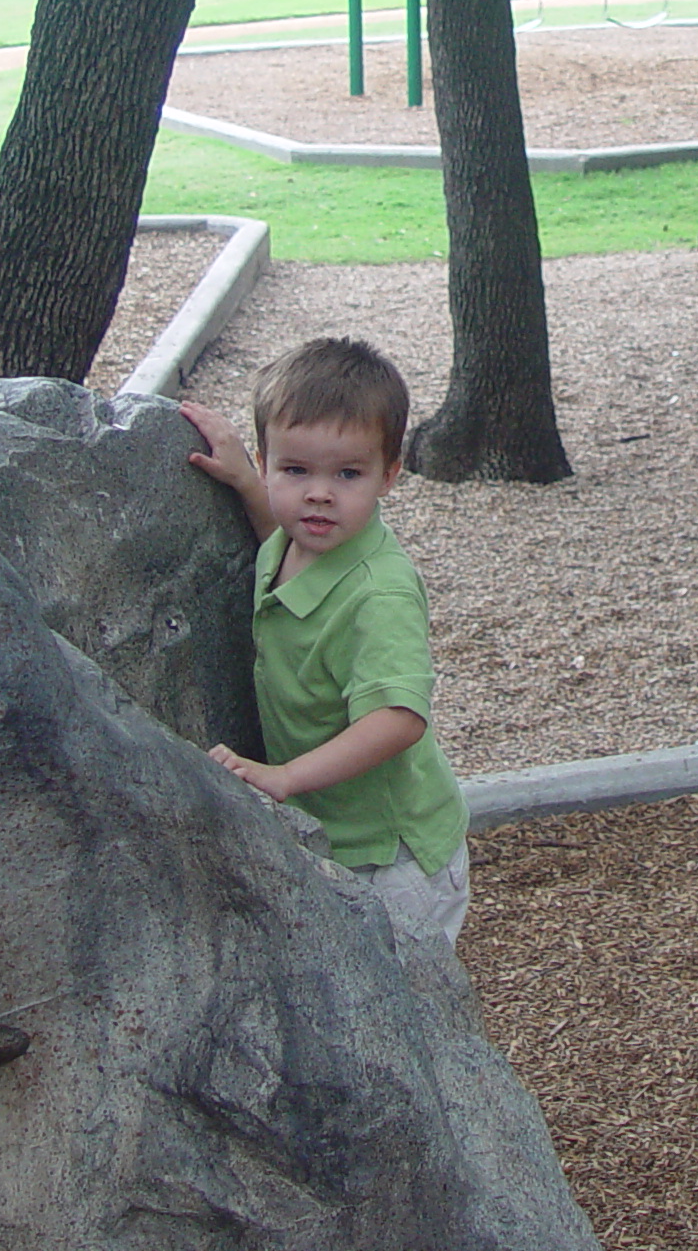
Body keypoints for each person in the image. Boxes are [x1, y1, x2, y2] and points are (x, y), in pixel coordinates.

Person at [179, 338, 470, 945]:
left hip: (393, 857)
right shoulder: (296, 543)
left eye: (347, 474)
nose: (318, 494)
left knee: (400, 1008)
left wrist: (286, 777)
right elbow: (277, 534)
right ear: (266, 463)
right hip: (338, 834)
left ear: (389, 476)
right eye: (295, 470)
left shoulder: (378, 595)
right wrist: (241, 479)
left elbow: (397, 718)